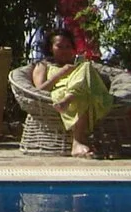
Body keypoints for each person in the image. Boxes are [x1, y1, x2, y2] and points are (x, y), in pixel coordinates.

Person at [30, 27, 115, 158]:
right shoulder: (43, 65)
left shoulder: (79, 65)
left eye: (68, 46)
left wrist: (78, 70)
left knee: (86, 68)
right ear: (51, 48)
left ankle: (69, 99)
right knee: (82, 94)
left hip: (74, 96)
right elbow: (39, 90)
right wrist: (61, 73)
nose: (64, 50)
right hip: (61, 92)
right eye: (59, 46)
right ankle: (77, 142)